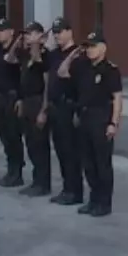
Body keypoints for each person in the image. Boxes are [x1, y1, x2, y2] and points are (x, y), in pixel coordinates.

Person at [67, 30, 123, 216]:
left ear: (103, 47)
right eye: (87, 47)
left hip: (101, 119)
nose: (89, 50)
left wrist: (113, 123)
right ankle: (93, 199)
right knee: (88, 163)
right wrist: (74, 55)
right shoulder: (83, 67)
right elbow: (62, 73)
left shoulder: (110, 70)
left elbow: (117, 98)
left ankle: (104, 203)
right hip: (84, 118)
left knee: (102, 164)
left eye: (92, 46)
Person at [45, 18, 83, 205]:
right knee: (60, 151)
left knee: (71, 152)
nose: (57, 35)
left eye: (60, 31)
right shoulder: (54, 54)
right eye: (55, 32)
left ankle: (75, 191)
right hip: (55, 108)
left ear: (70, 31)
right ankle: (67, 188)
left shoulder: (78, 55)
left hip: (69, 108)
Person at [17, 21, 52, 197]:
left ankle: (43, 184)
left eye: (31, 33)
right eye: (26, 34)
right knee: (30, 143)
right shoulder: (25, 55)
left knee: (40, 144)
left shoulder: (45, 55)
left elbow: (48, 84)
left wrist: (43, 111)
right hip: (28, 101)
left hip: (39, 102)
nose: (27, 37)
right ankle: (36, 181)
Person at [0, 19, 25, 187]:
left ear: (11, 32)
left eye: (2, 30)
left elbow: (23, 78)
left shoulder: (17, 51)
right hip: (0, 98)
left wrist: (20, 98)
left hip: (12, 98)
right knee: (4, 136)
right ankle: (11, 171)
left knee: (13, 136)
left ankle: (17, 173)